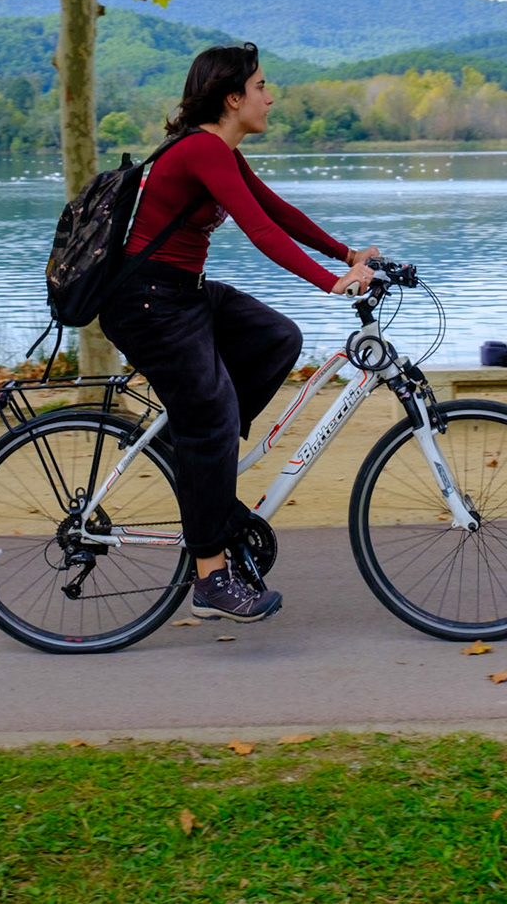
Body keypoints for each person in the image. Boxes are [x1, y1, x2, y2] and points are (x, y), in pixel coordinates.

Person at [98, 44, 378, 624]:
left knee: (276, 339)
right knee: (212, 415)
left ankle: (202, 453)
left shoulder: (219, 148)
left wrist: (347, 252)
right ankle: (211, 577)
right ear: (233, 98)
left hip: (183, 292)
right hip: (147, 303)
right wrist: (331, 283)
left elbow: (274, 210)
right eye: (261, 87)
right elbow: (258, 232)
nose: (269, 97)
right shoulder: (202, 148)